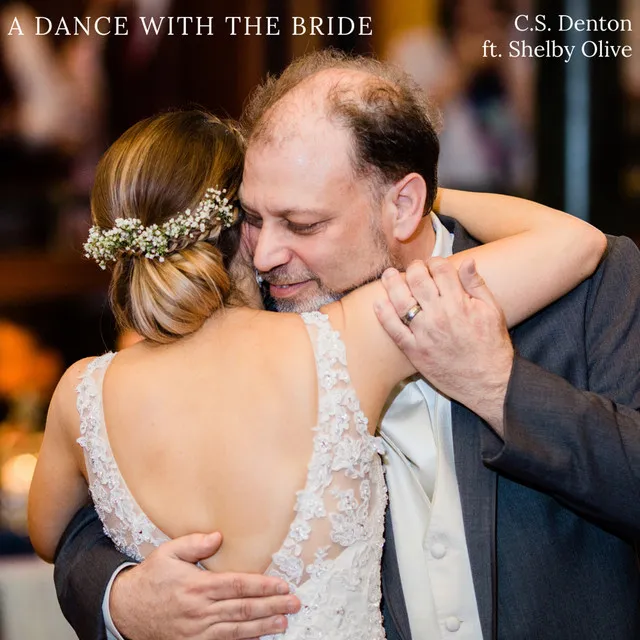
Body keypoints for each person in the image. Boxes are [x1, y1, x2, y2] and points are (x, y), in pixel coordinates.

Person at [51, 50, 639, 640]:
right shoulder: (258, 328)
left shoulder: (589, 289)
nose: (263, 256)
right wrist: (120, 598)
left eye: (303, 225)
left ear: (404, 205)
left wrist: (497, 387)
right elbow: (88, 518)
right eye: (251, 218)